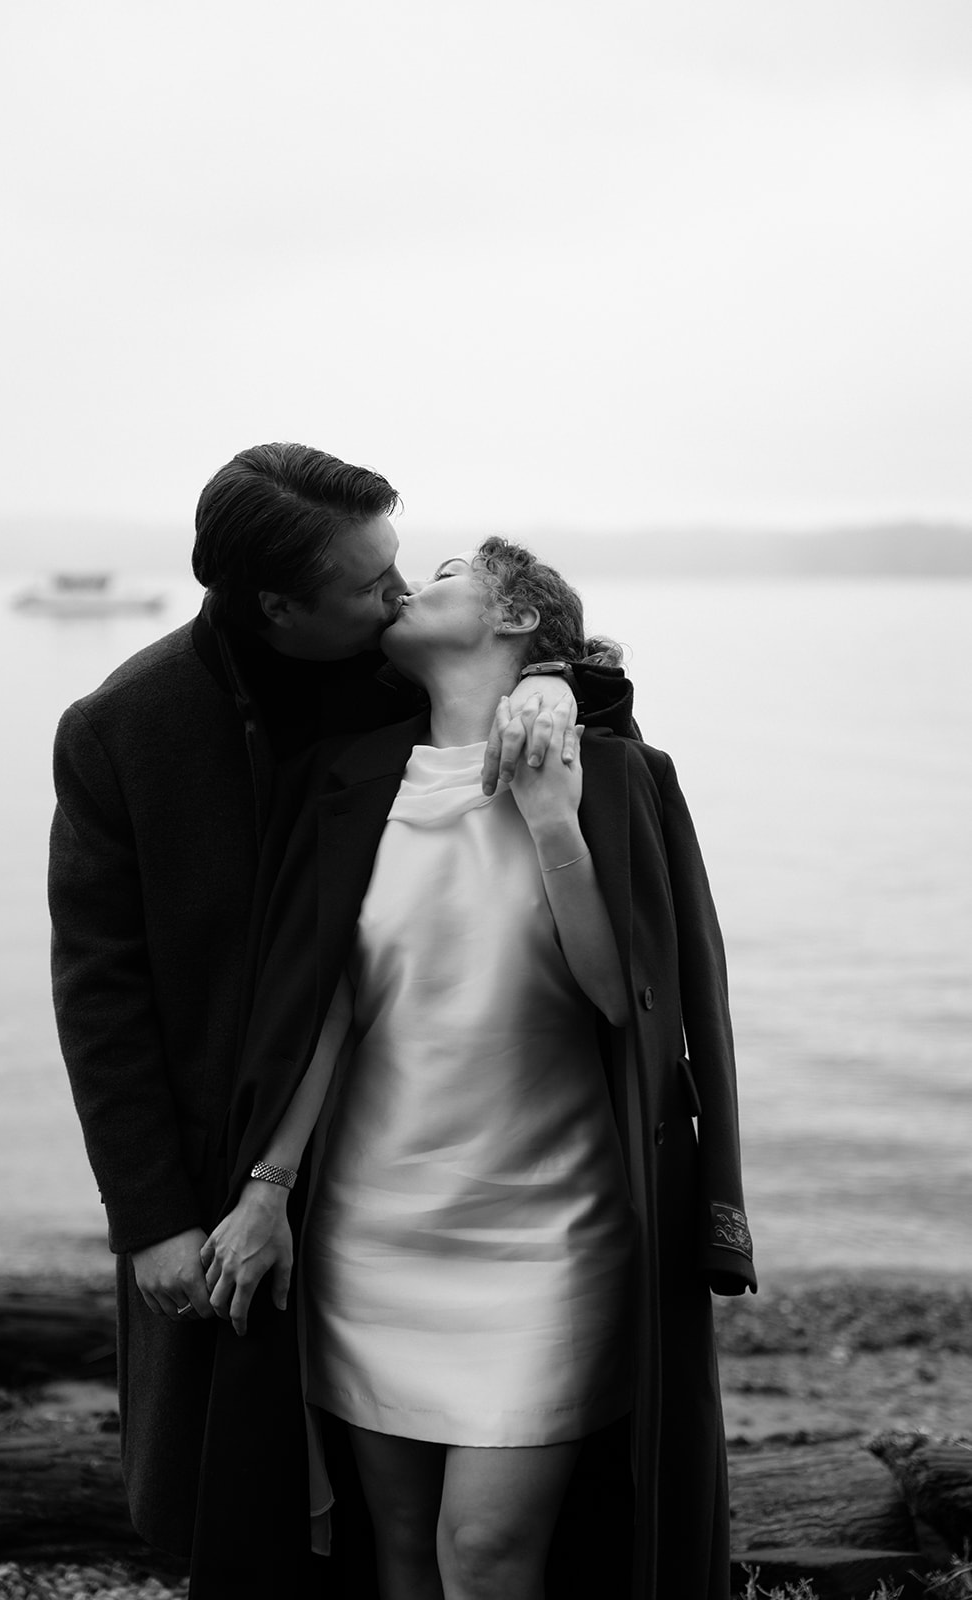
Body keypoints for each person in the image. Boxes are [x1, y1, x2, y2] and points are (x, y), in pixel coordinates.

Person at [48, 447, 625, 1599]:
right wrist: (154, 1216)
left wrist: (557, 683)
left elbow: (561, 683)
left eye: (404, 565)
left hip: (450, 1180)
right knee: (266, 1510)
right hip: (247, 1172)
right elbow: (99, 992)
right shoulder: (124, 728)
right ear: (276, 606)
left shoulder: (388, 675)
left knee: (447, 1539)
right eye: (371, 583)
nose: (398, 595)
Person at [210, 538, 756, 1600]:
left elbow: (619, 998)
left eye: (450, 572)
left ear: (514, 622)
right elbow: (327, 1007)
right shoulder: (350, 776)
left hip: (547, 1234)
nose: (414, 584)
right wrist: (267, 1189)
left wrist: (551, 815)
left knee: (488, 1551)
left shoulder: (613, 777)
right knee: (403, 1544)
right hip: (372, 1231)